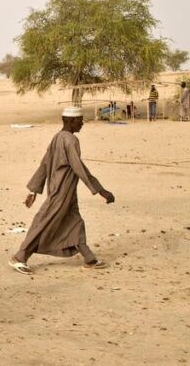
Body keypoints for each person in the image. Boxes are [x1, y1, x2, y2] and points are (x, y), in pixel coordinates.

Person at [9, 107, 116, 275]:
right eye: (79, 121)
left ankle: (89, 258)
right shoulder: (70, 140)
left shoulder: (57, 138)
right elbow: (79, 168)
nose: (82, 124)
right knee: (45, 222)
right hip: (60, 191)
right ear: (70, 121)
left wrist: (34, 191)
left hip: (67, 192)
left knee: (75, 221)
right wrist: (101, 190)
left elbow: (44, 164)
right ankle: (20, 256)